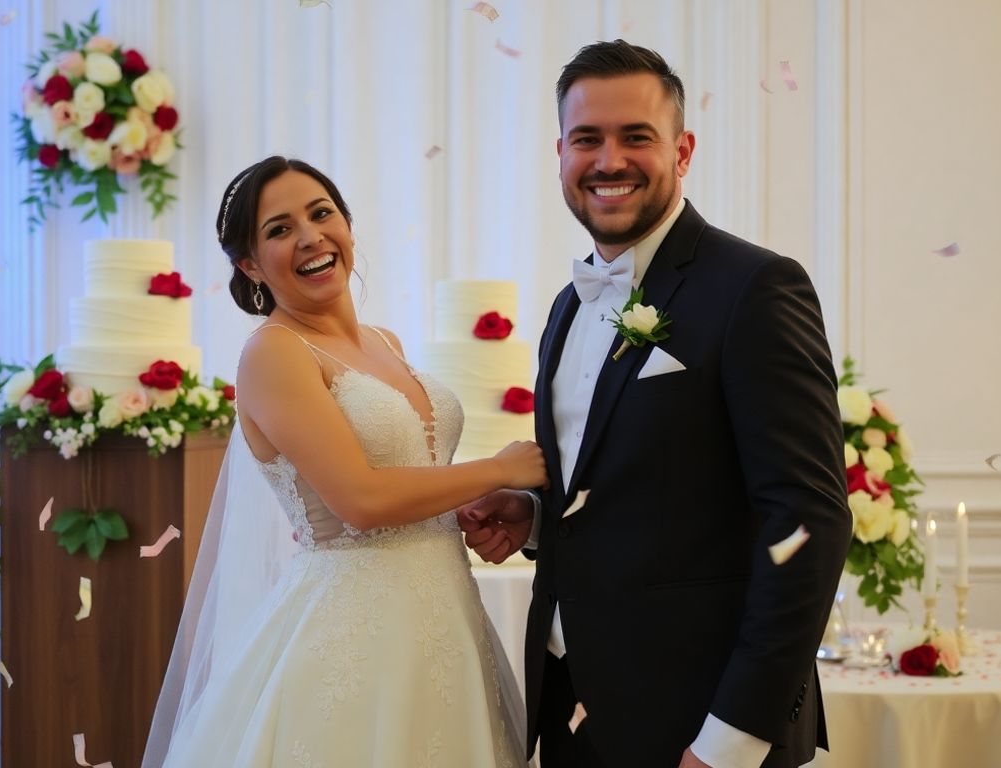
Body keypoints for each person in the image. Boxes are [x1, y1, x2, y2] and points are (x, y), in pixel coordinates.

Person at [459, 40, 850, 768]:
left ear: (682, 149)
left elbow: (807, 525)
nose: (609, 160)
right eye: (587, 139)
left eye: (636, 136)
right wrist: (538, 516)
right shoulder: (564, 310)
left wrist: (728, 744)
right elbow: (641, 487)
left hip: (699, 729)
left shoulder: (755, 289)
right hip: (571, 713)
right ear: (561, 154)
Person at [143, 156, 545, 767]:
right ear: (250, 264)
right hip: (356, 637)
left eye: (321, 213)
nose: (309, 236)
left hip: (446, 621)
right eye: (279, 230)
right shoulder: (273, 354)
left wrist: (465, 503)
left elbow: (408, 471)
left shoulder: (385, 342)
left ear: (348, 228)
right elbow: (358, 501)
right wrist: (501, 468)